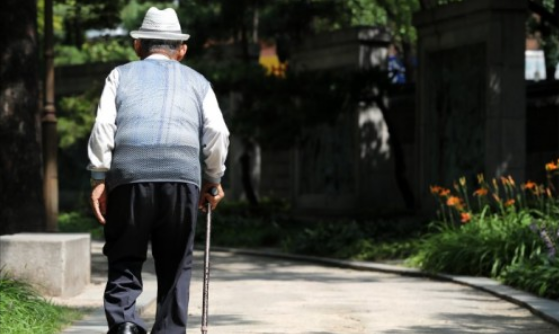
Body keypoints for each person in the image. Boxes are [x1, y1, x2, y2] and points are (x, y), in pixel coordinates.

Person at [87, 7, 230, 334]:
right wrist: (213, 178)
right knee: (177, 265)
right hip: (182, 179)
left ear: (138, 46)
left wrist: (98, 177)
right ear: (181, 50)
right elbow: (217, 133)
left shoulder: (120, 75)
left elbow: (103, 126)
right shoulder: (199, 82)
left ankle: (124, 324)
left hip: (128, 178)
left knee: (124, 255)